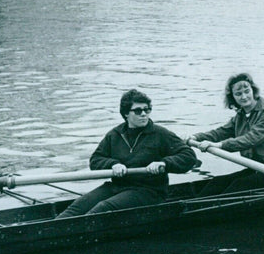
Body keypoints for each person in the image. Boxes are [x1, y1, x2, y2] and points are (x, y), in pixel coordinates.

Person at [56, 89, 197, 218]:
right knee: (77, 207)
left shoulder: (160, 134)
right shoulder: (115, 134)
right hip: (117, 187)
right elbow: (95, 160)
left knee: (102, 208)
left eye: (147, 110)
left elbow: (188, 156)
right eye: (138, 111)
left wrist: (164, 163)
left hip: (148, 191)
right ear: (125, 114)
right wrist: (113, 164)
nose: (144, 114)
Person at [188, 73, 264, 195]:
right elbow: (221, 132)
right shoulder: (241, 115)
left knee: (237, 186)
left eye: (247, 91)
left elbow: (251, 139)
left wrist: (219, 145)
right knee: (217, 183)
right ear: (233, 97)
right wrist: (195, 137)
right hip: (257, 168)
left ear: (253, 91)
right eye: (238, 94)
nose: (244, 97)